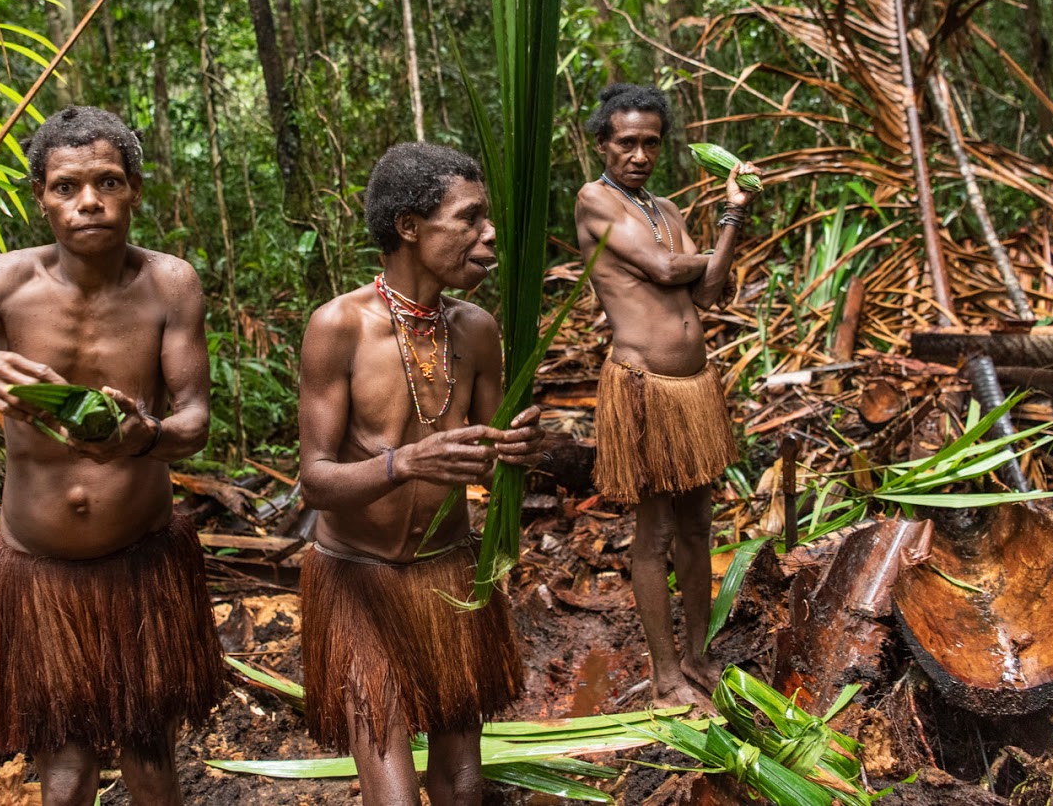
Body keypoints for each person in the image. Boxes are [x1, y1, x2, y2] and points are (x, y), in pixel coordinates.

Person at [0, 106, 224, 806]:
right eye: (66, 186)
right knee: (64, 772)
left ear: (135, 190)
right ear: (41, 198)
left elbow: (195, 422)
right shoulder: (2, 282)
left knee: (151, 757)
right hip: (40, 574)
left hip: (142, 562)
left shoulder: (169, 283)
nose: (88, 201)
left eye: (107, 182)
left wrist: (141, 437)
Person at [297, 142, 544, 806]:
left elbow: (496, 453)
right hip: (358, 582)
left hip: (448, 576)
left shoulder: (477, 329)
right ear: (409, 227)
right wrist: (403, 462)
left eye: (485, 218)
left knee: (464, 788)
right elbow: (314, 481)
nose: (488, 234)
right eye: (468, 218)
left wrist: (523, 449)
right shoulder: (339, 327)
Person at [573, 84, 761, 709]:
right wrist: (696, 260)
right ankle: (664, 674)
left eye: (651, 143)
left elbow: (708, 292)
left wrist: (732, 216)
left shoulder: (670, 210)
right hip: (645, 386)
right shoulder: (595, 201)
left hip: (694, 388)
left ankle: (699, 654)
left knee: (698, 526)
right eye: (626, 142)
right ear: (602, 144)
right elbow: (661, 269)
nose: (639, 154)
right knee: (653, 534)